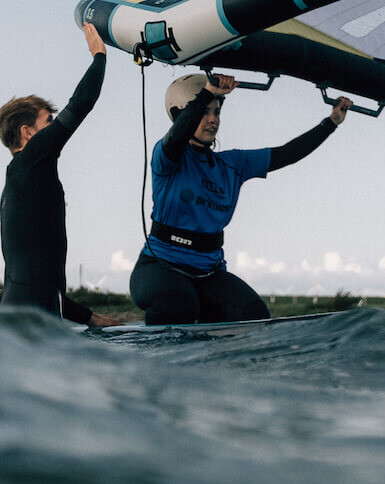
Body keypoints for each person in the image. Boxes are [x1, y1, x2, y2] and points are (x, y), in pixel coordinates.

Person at [130, 73, 353, 325]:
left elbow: (286, 154)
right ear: (183, 114)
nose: (213, 119)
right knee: (179, 306)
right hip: (160, 267)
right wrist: (208, 92)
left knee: (254, 316)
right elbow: (175, 137)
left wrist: (331, 122)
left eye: (217, 112)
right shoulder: (167, 158)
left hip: (208, 273)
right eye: (205, 112)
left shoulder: (232, 164)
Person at [0, 23, 115, 327]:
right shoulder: (30, 162)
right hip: (32, 317)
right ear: (27, 133)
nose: (55, 127)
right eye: (47, 121)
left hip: (28, 311)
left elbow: (40, 277)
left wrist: (91, 318)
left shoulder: (21, 180)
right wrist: (99, 57)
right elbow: (79, 106)